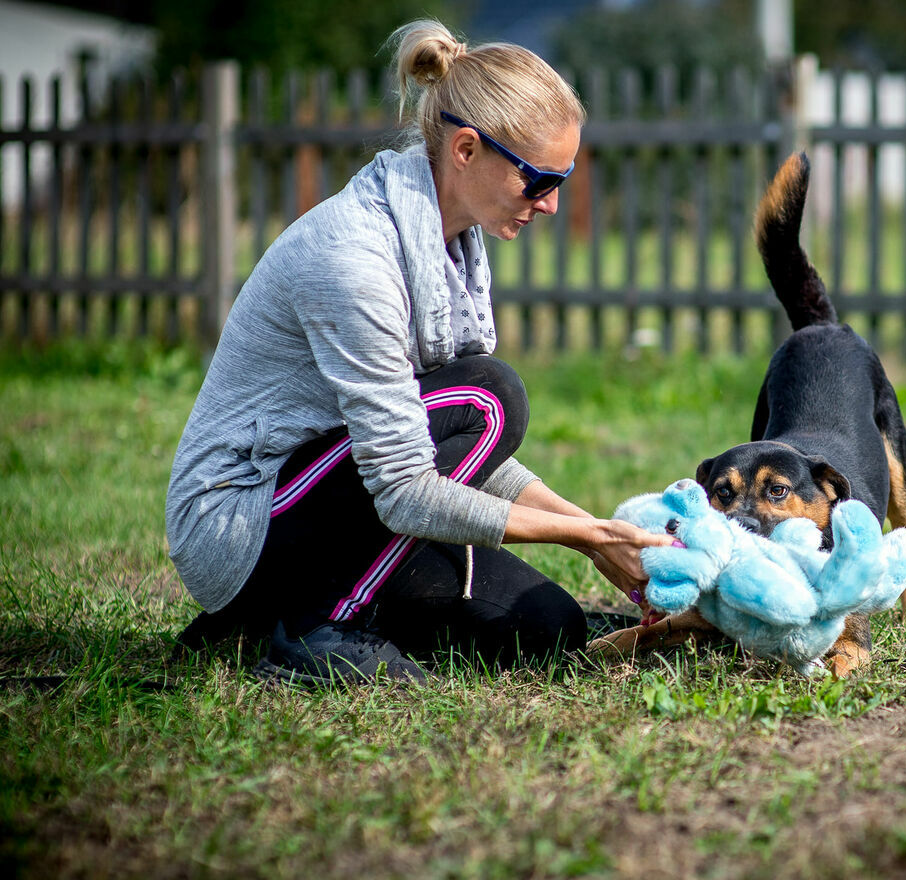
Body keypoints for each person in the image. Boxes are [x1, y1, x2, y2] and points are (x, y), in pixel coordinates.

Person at [166, 19, 671, 685]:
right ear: (466, 149)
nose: (551, 203)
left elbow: (447, 448)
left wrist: (593, 535)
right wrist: (583, 537)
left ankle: (262, 623)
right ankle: (315, 629)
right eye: (538, 180)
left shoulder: (448, 245)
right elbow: (407, 484)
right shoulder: (354, 257)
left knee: (546, 627)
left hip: (326, 502)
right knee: (491, 397)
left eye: (563, 178)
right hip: (240, 524)